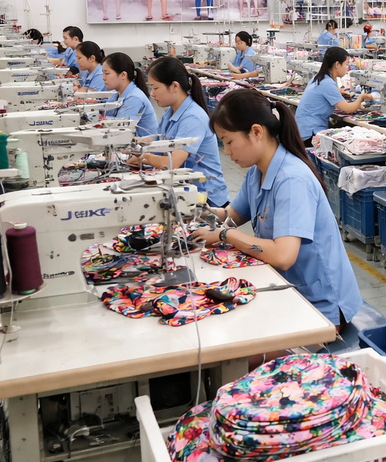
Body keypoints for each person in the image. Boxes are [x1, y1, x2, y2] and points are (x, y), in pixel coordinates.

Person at [191, 89, 362, 332]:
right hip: (290, 289)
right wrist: (195, 210)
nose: (226, 152)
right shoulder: (257, 172)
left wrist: (224, 234)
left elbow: (283, 256)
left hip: (321, 308)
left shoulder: (292, 180)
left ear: (256, 132)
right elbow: (233, 215)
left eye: (229, 142)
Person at [137, 57, 229, 207]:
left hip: (206, 197)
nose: (152, 94)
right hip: (184, 188)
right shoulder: (170, 114)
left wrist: (144, 157)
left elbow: (172, 163)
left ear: (174, 86)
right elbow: (158, 150)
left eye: (155, 88)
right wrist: (134, 155)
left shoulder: (192, 118)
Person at [294, 47, 369, 146]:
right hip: (311, 133)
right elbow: (347, 109)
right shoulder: (327, 83)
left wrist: (356, 104)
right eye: (346, 64)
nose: (347, 68)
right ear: (337, 64)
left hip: (302, 130)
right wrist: (362, 97)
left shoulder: (318, 78)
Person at [101, 52, 158, 137]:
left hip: (140, 143)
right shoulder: (116, 96)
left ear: (123, 75)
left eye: (107, 73)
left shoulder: (134, 98)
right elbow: (105, 117)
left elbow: (119, 131)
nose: (103, 78)